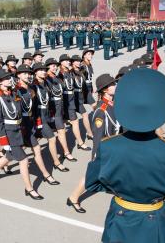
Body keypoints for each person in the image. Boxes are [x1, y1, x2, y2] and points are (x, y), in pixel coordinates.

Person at [85, 68, 165, 243]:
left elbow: (92, 183)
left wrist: (120, 187)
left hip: (119, 216)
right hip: (153, 219)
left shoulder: (108, 146)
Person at [0, 69, 44, 200]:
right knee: (24, 160)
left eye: (9, 78)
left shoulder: (13, 94)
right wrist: (4, 142)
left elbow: (19, 114)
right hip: (9, 133)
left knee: (9, 156)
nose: (9, 80)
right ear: (0, 82)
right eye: (6, 78)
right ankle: (29, 188)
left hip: (19, 130)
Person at [68, 73, 119, 213]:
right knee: (92, 174)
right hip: (105, 150)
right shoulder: (101, 112)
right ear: (105, 90)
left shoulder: (115, 103)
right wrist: (95, 157)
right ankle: (73, 197)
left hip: (115, 148)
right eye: (112, 85)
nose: (115, 86)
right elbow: (97, 138)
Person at [14, 64, 60, 185]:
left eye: (28, 73)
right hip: (19, 127)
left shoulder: (30, 89)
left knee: (37, 149)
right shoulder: (15, 91)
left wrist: (36, 122)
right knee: (9, 156)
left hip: (29, 124)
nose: (27, 75)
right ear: (18, 75)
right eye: (24, 73)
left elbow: (33, 109)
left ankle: (46, 174)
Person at [45, 57, 77, 162]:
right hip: (54, 111)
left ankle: (65, 153)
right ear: (47, 67)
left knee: (60, 132)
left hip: (60, 109)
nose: (55, 67)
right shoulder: (46, 79)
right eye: (53, 66)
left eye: (56, 65)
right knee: (61, 131)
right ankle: (66, 153)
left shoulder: (57, 77)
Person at [58, 54, 91, 153]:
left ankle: (78, 143)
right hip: (67, 103)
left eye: (69, 61)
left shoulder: (70, 72)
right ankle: (79, 144)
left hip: (72, 101)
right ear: (61, 63)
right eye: (66, 61)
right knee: (72, 124)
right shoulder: (60, 75)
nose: (68, 62)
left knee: (71, 124)